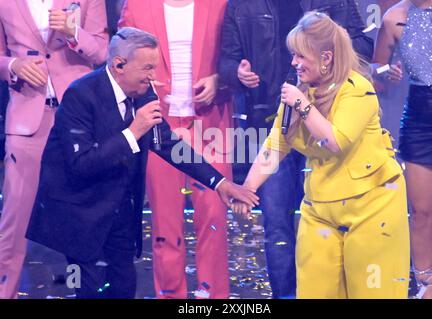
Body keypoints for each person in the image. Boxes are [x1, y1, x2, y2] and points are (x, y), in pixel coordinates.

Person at [26, 27, 258, 299]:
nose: (153, 76)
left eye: (155, 67)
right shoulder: (80, 95)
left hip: (121, 216)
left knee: (124, 289)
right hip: (83, 217)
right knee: (91, 292)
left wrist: (219, 183)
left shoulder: (144, 93)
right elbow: (82, 163)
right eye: (147, 67)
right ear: (119, 65)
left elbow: (167, 143)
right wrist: (134, 131)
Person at [231, 12, 410, 299]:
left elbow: (335, 140)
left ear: (326, 58)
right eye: (293, 55)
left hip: (372, 207)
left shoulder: (357, 90)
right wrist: (248, 187)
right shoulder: (298, 95)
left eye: (300, 56)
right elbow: (276, 144)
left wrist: (303, 105)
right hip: (321, 209)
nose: (294, 63)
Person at [119, 0, 233, 299]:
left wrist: (219, 80)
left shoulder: (220, 4)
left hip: (210, 122)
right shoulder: (137, 6)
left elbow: (236, 55)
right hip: (160, 125)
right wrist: (142, 81)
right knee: (165, 222)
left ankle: (214, 296)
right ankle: (170, 295)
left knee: (213, 218)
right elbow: (119, 62)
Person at [0, 0, 109, 299]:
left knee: (85, 224)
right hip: (27, 123)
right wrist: (13, 65)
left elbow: (103, 52)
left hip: (78, 122)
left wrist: (74, 32)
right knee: (13, 226)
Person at [373, 0, 432, 299]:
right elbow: (376, 72)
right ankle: (426, 288)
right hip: (423, 119)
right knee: (421, 213)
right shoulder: (394, 18)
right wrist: (385, 72)